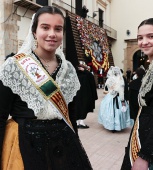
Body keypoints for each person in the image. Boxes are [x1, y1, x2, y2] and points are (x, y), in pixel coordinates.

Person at [0, 6, 92, 170]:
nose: (52, 34)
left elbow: (70, 114)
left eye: (58, 29)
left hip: (62, 146)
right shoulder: (14, 66)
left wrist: (75, 145)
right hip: (23, 144)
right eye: (45, 27)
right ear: (34, 31)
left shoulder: (69, 70)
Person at [121, 18, 153, 170]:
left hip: (151, 144)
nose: (144, 42)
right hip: (144, 135)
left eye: (151, 36)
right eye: (140, 38)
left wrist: (145, 156)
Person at [98, 66, 132, 132]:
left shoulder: (109, 79)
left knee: (110, 111)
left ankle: (111, 126)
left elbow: (107, 88)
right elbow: (121, 91)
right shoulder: (121, 79)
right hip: (118, 97)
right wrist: (122, 100)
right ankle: (117, 126)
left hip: (110, 97)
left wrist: (112, 90)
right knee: (117, 111)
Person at [75, 62, 98, 129]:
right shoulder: (84, 75)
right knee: (80, 107)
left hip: (81, 94)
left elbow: (91, 78)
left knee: (81, 107)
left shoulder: (84, 74)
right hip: (81, 94)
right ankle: (79, 122)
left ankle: (79, 122)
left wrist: (84, 71)